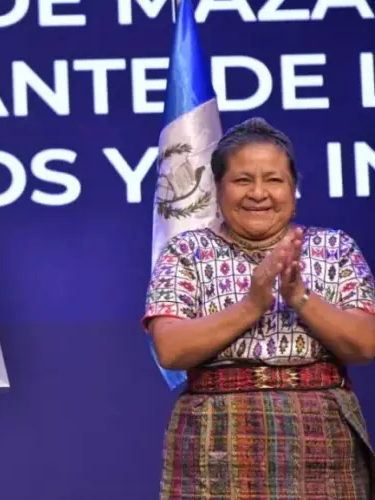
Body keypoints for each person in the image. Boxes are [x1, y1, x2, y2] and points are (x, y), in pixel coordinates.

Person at [143, 117, 375, 499]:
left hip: (322, 444)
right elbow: (169, 349)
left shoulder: (336, 249)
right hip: (216, 446)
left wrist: (299, 296)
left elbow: (364, 345)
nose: (258, 193)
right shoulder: (186, 252)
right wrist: (253, 303)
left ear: (294, 188)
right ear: (218, 188)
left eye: (273, 179)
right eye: (242, 180)